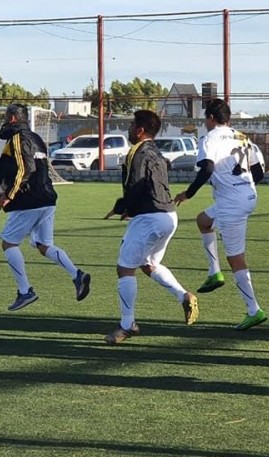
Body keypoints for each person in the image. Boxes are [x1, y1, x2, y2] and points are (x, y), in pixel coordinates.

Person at [103, 110, 199, 344]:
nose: (129, 129)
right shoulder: (158, 152)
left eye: (132, 124)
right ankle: (183, 295)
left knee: (124, 268)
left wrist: (124, 207)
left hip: (150, 217)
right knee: (149, 264)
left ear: (140, 130)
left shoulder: (136, 152)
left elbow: (134, 185)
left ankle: (127, 325)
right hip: (168, 215)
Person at [174, 98, 267, 331]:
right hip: (246, 197)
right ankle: (214, 273)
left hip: (231, 203)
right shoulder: (242, 136)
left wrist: (189, 193)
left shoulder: (209, 138)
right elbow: (258, 171)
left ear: (211, 118)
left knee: (236, 258)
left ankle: (254, 310)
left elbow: (207, 168)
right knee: (204, 221)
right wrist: (242, 187)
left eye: (206, 118)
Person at [0, 103, 90, 311]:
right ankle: (77, 275)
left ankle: (25, 291)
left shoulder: (19, 138)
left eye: (5, 116)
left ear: (12, 119)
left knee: (8, 243)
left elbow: (25, 168)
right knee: (43, 245)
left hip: (30, 201)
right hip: (47, 199)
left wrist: (8, 195)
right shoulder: (36, 138)